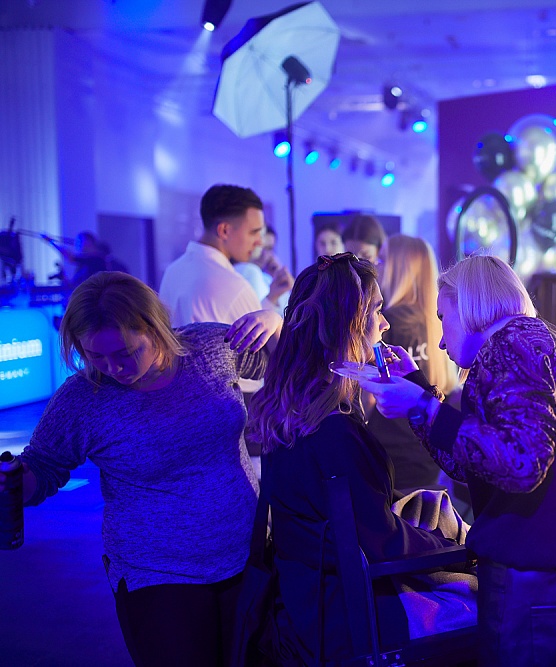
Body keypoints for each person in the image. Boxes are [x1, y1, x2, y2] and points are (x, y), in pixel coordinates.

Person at [0, 271, 282, 667]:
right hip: (158, 575)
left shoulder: (211, 348)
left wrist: (275, 323)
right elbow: (42, 467)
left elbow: (288, 366)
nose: (113, 367)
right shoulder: (82, 400)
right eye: (96, 356)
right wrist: (13, 482)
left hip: (246, 554)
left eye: (126, 352)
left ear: (154, 327)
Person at [361, 254, 556, 667]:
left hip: (540, 592)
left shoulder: (513, 346)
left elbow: (522, 463)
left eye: (444, 317)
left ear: (471, 305)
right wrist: (419, 392)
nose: (441, 341)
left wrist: (426, 409)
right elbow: (475, 465)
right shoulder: (543, 342)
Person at [250, 253, 475, 666]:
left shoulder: (292, 411)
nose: (385, 324)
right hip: (350, 614)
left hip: (307, 602)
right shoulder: (333, 431)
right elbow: (382, 541)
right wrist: (463, 550)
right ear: (348, 325)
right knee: (493, 605)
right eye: (376, 311)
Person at [368, 234, 458, 490]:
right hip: (429, 456)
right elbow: (445, 385)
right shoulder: (436, 323)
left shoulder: (385, 325)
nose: (376, 266)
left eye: (383, 260)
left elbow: (370, 399)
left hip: (389, 457)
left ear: (400, 270)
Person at [158, 184, 292, 327]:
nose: (259, 242)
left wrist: (271, 298)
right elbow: (261, 339)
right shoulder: (234, 286)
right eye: (253, 232)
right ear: (224, 231)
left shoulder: (172, 272)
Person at [234, 224, 294, 314]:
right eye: (262, 248)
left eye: (269, 249)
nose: (264, 254)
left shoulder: (268, 277)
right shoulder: (246, 271)